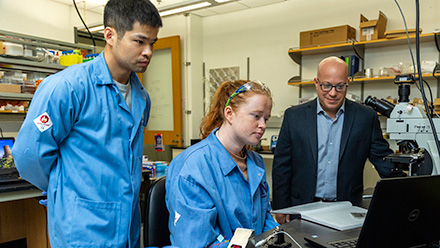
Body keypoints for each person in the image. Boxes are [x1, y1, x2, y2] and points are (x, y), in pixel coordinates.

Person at [11, 0, 162, 247]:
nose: (148, 52)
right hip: (80, 229)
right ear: (110, 35)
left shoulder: (141, 96)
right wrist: (66, 190)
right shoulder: (67, 88)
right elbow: (29, 155)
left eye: (152, 43)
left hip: (127, 229)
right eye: (139, 41)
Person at [272, 56, 397, 224]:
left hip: (347, 208)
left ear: (348, 83)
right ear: (316, 82)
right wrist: (281, 207)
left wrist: (407, 188)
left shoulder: (365, 117)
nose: (332, 93)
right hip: (302, 207)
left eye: (340, 86)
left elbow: (383, 161)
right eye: (326, 85)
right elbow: (282, 166)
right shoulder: (294, 116)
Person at [166, 80, 278, 247]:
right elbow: (196, 242)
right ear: (229, 113)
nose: (263, 125)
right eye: (256, 116)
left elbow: (265, 218)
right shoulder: (193, 167)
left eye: (266, 118)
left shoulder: (256, 162)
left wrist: (278, 238)